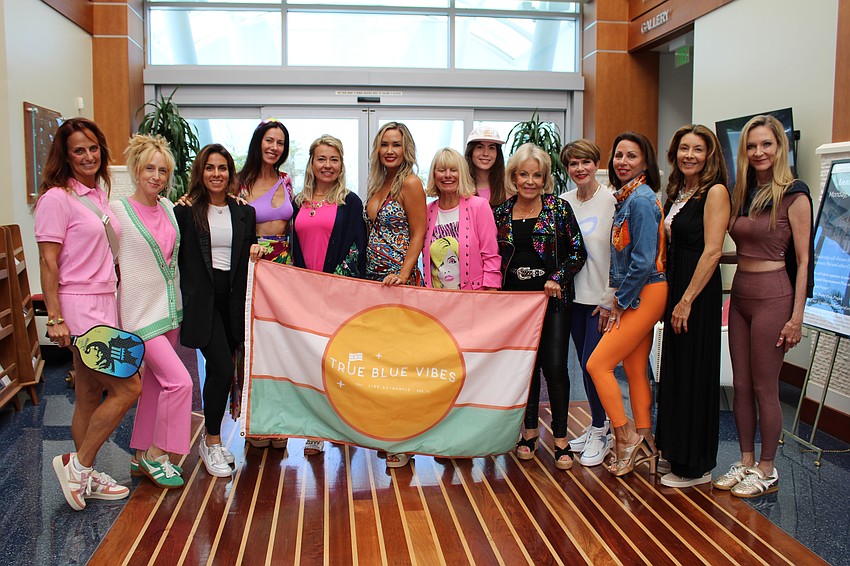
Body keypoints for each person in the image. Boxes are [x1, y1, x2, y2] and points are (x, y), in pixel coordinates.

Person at [35, 118, 141, 510]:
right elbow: (48, 262)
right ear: (65, 156)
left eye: (93, 147)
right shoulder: (56, 199)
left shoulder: (97, 194)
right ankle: (78, 467)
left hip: (104, 302)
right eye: (78, 150)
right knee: (129, 388)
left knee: (88, 395)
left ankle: (86, 475)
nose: (88, 156)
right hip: (80, 307)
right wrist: (55, 317)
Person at [713, 115, 813, 498]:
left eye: (766, 144)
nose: (759, 152)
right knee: (740, 385)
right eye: (752, 145)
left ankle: (767, 469)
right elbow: (746, 250)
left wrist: (797, 317)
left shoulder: (795, 194)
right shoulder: (742, 192)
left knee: (764, 386)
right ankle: (746, 460)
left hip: (775, 296)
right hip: (741, 296)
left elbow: (803, 260)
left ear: (780, 147)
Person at [493, 143, 586, 470]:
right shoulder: (501, 213)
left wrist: (558, 277)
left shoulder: (559, 209)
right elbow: (492, 256)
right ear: (514, 177)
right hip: (514, 304)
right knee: (526, 367)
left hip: (552, 301)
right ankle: (529, 432)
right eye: (523, 174)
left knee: (555, 366)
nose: (530, 181)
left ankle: (560, 438)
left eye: (536, 175)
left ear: (545, 179)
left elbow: (577, 252)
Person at [175, 144, 262, 478]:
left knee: (217, 372)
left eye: (222, 167)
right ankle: (212, 440)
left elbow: (248, 249)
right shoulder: (186, 211)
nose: (216, 174)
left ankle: (210, 440)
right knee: (224, 369)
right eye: (209, 167)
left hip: (233, 302)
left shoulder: (243, 211)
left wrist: (255, 249)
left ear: (230, 173)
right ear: (200, 172)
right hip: (202, 303)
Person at [586, 131, 667, 477]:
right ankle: (646, 443)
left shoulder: (641, 201)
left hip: (645, 291)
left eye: (631, 156)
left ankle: (625, 435)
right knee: (634, 369)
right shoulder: (628, 198)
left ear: (645, 162)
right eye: (619, 155)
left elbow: (644, 260)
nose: (623, 162)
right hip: (639, 291)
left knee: (597, 364)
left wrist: (618, 302)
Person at [654, 125, 730, 488]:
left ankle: (696, 466)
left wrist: (686, 300)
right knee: (677, 371)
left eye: (698, 149)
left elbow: (713, 251)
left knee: (694, 372)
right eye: (684, 148)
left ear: (709, 155)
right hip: (677, 284)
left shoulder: (715, 192)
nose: (690, 155)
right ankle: (676, 452)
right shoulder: (678, 191)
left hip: (696, 292)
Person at [114, 134, 191, 489]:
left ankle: (137, 455)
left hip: (169, 312)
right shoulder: (118, 211)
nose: (156, 177)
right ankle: (157, 453)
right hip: (140, 315)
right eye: (149, 169)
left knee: (156, 385)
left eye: (163, 171)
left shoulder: (170, 208)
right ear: (135, 169)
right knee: (180, 382)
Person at [292, 134, 367, 456]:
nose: (327, 165)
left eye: (333, 159)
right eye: (321, 159)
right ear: (311, 163)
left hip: (337, 294)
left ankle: (344, 424)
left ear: (341, 164)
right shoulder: (299, 201)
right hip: (303, 294)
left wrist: (333, 285)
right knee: (311, 361)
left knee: (339, 361)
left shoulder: (350, 202)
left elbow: (357, 248)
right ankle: (316, 429)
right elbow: (292, 247)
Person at [364, 122, 426, 468]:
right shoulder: (378, 184)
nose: (390, 150)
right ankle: (391, 432)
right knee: (384, 363)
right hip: (375, 285)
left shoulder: (410, 183)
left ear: (406, 150)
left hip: (400, 284)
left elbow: (419, 233)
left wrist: (403, 274)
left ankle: (404, 441)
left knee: (401, 365)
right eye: (385, 144)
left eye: (396, 145)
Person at [560, 139, 617, 467]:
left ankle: (603, 429)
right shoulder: (564, 202)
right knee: (583, 365)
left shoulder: (611, 201)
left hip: (600, 300)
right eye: (573, 163)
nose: (579, 168)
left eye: (585, 162)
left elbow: (619, 253)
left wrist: (611, 297)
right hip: (573, 298)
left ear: (596, 164)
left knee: (594, 365)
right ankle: (598, 425)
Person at [423, 148, 500, 290]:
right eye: (441, 170)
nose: (447, 175)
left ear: (462, 174)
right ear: (434, 175)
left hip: (474, 297)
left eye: (453, 170)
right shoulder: (426, 211)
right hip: (436, 298)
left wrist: (491, 292)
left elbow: (491, 256)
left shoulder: (479, 206)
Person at [238, 119, 294, 265]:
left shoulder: (285, 180)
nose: (274, 147)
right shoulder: (239, 182)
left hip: (284, 259)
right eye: (269, 140)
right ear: (258, 142)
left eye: (280, 143)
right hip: (253, 258)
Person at [464, 127, 508, 207]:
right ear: (471, 151)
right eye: (480, 147)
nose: (485, 153)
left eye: (491, 148)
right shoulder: (460, 186)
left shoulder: (508, 188)